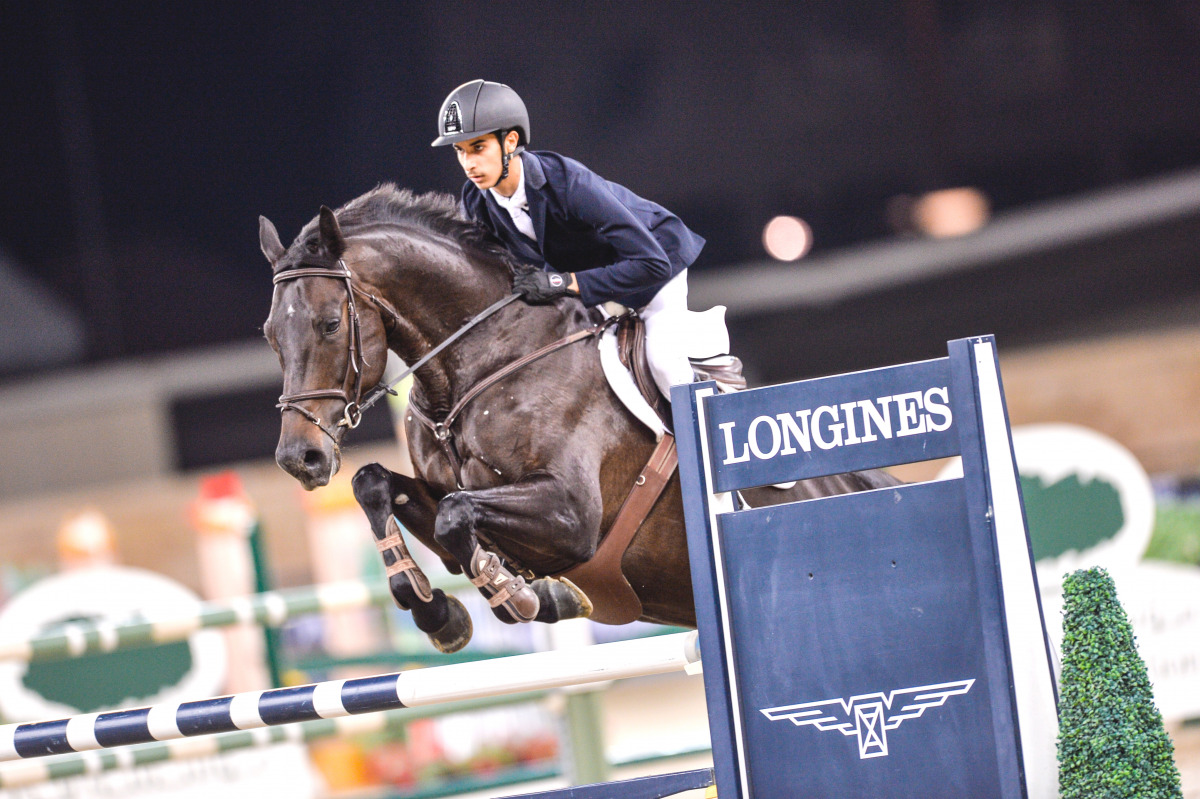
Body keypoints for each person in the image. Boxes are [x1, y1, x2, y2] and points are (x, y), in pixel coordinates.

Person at [431, 79, 732, 400]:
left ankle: (708, 437)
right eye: (460, 151)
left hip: (655, 267)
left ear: (510, 141)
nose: (469, 164)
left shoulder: (568, 182)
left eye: (478, 148)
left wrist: (562, 283)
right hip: (589, 280)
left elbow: (652, 264)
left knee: (663, 363)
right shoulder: (477, 202)